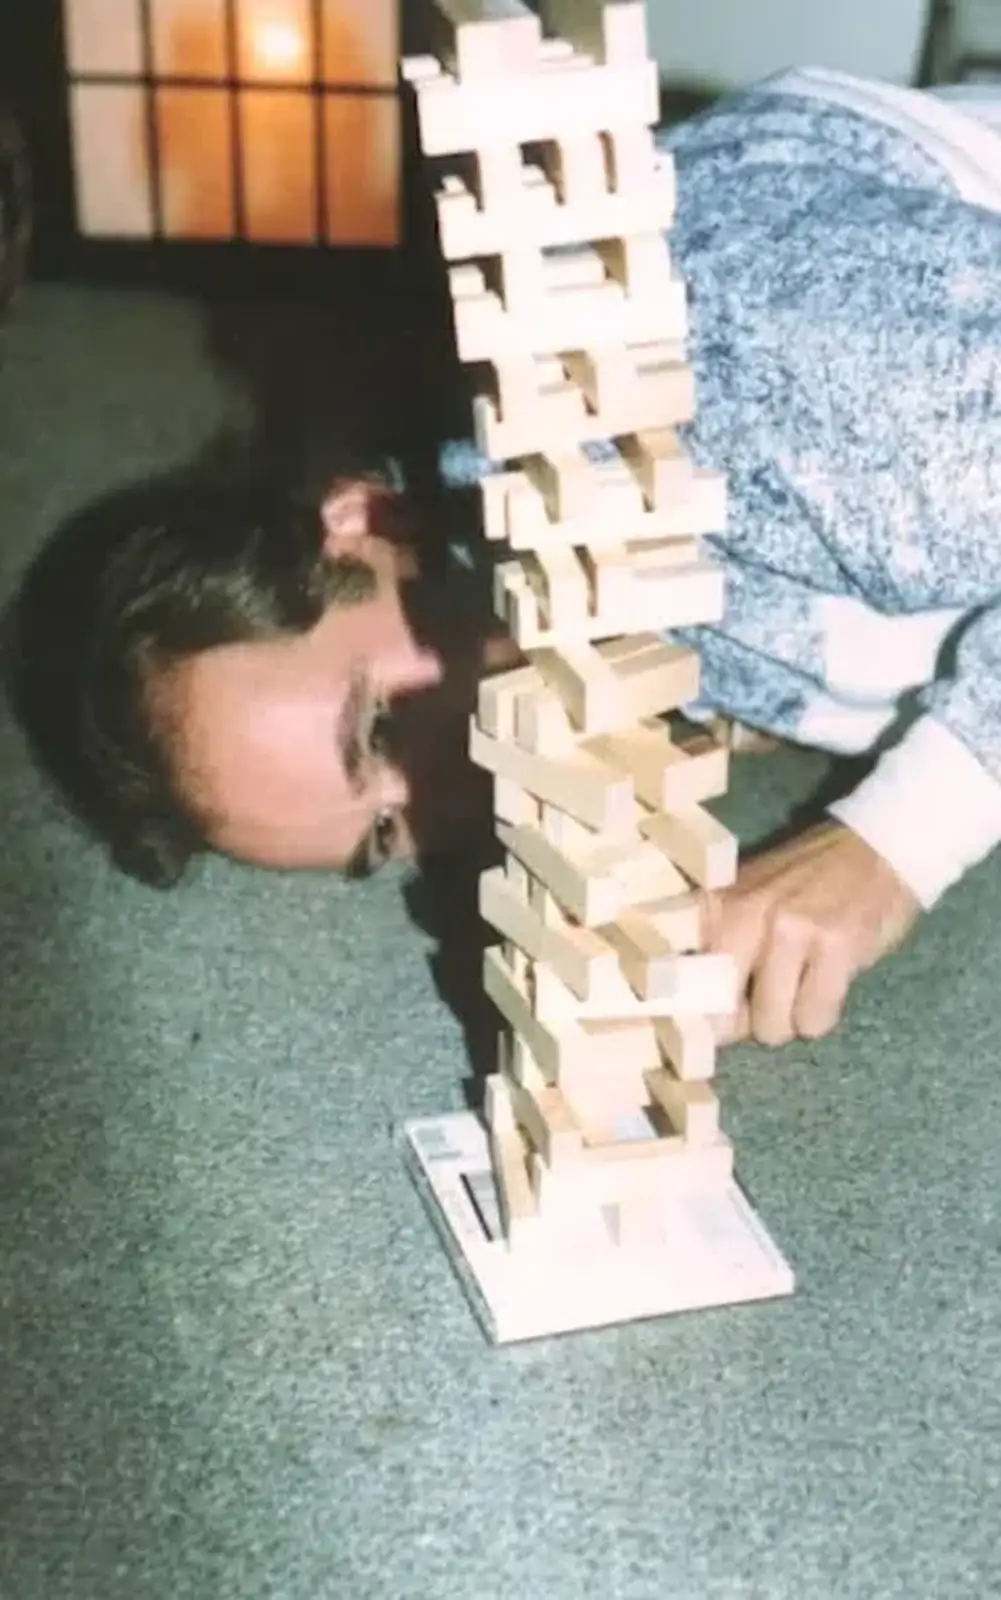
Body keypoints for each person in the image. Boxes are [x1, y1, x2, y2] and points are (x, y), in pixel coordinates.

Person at [9, 65, 1001, 1049]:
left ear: (366, 516)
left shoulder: (731, 365)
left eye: (384, 725)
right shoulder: (579, 578)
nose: (458, 805)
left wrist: (889, 843)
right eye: (385, 835)